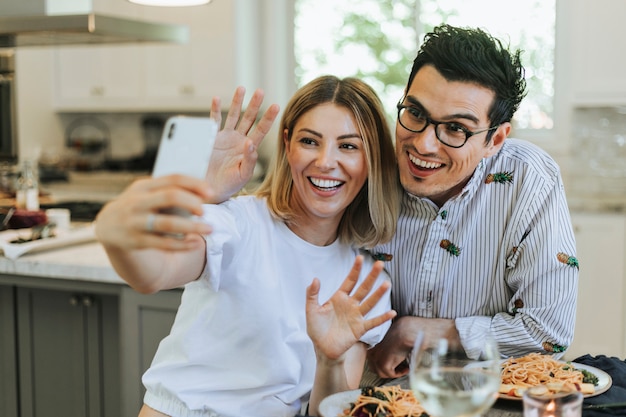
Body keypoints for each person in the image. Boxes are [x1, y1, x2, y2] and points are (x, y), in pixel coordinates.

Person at [207, 24, 579, 385]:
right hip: (374, 399)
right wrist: (210, 198)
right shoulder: (363, 171)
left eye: (456, 129)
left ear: (495, 139)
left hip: (485, 402)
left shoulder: (528, 179)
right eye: (415, 114)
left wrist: (415, 331)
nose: (423, 145)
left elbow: (548, 332)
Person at [95, 75, 401, 417]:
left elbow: (327, 413)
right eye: (310, 141)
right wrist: (119, 238)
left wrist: (329, 360)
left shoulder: (365, 280)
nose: (326, 161)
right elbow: (154, 273)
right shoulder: (238, 223)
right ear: (288, 145)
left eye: (348, 146)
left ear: (372, 159)